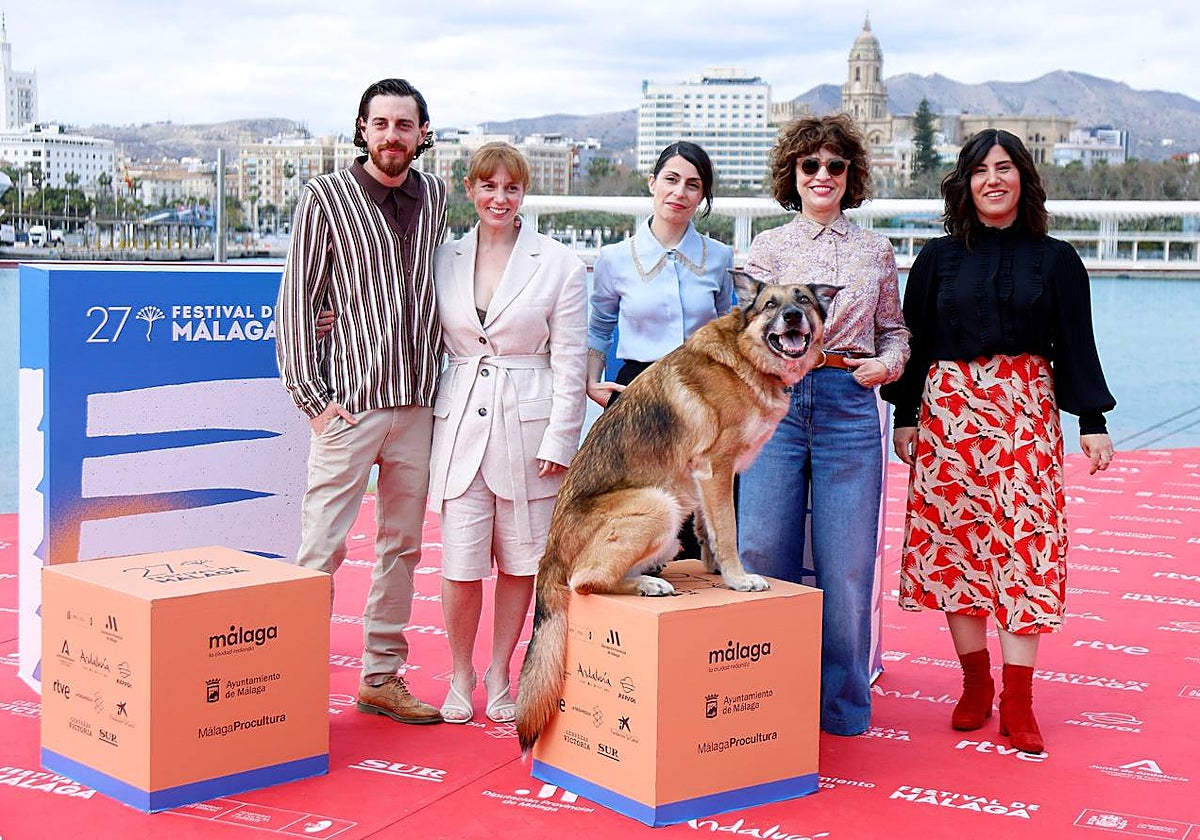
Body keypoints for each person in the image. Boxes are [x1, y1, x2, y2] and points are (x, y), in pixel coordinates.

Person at [881, 129, 1116, 754]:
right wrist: (905, 415)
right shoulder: (935, 258)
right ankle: (976, 684)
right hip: (948, 416)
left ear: (1023, 179)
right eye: (981, 169)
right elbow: (918, 342)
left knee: (1026, 547)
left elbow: (1076, 342)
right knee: (957, 546)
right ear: (966, 182)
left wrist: (1091, 421)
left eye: (1005, 168)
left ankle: (1020, 697)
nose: (993, 179)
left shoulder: (1058, 259)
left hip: (1024, 414)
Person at [275, 78, 447, 725]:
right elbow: (297, 305)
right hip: (348, 406)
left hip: (417, 408)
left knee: (402, 548)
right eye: (381, 124)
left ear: (422, 133)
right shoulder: (324, 197)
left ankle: (381, 677)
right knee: (321, 549)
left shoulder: (434, 199)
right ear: (362, 128)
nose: (392, 136)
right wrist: (313, 401)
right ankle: (288, 686)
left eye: (405, 125)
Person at [735, 114, 911, 737]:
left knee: (847, 562)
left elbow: (894, 329)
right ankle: (764, 700)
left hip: (848, 403)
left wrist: (887, 364)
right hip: (776, 405)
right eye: (811, 165)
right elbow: (744, 334)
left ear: (851, 175)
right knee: (760, 550)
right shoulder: (766, 249)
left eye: (835, 165)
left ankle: (841, 708)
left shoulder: (874, 251)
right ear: (794, 173)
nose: (823, 175)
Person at [427, 142, 587, 724]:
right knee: (460, 564)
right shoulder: (442, 258)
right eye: (488, 186)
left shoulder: (560, 264)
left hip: (530, 424)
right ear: (469, 189)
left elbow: (571, 360)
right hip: (460, 422)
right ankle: (459, 672)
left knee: (522, 562)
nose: (500, 198)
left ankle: (501, 670)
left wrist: (560, 440)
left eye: (511, 188)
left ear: (524, 194)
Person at [586, 140, 734, 559]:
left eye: (693, 185)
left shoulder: (720, 258)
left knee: (703, 499)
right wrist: (591, 382)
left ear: (702, 196)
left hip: (706, 396)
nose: (679, 192)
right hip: (638, 394)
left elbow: (728, 329)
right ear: (652, 183)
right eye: (670, 179)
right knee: (641, 502)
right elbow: (599, 327)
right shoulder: (615, 259)